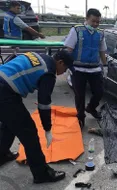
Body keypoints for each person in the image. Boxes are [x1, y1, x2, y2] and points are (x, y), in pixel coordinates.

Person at [0, 50, 74, 183]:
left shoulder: (39, 56)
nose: (64, 72)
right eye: (66, 68)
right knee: (29, 133)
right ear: (60, 62)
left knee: (9, 123)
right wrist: (47, 129)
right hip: (4, 92)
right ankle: (42, 174)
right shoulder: (49, 72)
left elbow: (13, 58)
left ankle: (2, 154)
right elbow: (44, 104)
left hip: (3, 85)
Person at [64, 8, 107, 128]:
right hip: (78, 69)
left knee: (99, 92)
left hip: (94, 69)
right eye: (93, 21)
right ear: (86, 19)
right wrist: (69, 66)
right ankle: (80, 116)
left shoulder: (100, 33)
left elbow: (102, 50)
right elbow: (68, 49)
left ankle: (91, 108)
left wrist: (105, 65)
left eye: (98, 22)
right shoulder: (76, 30)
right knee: (80, 95)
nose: (95, 24)